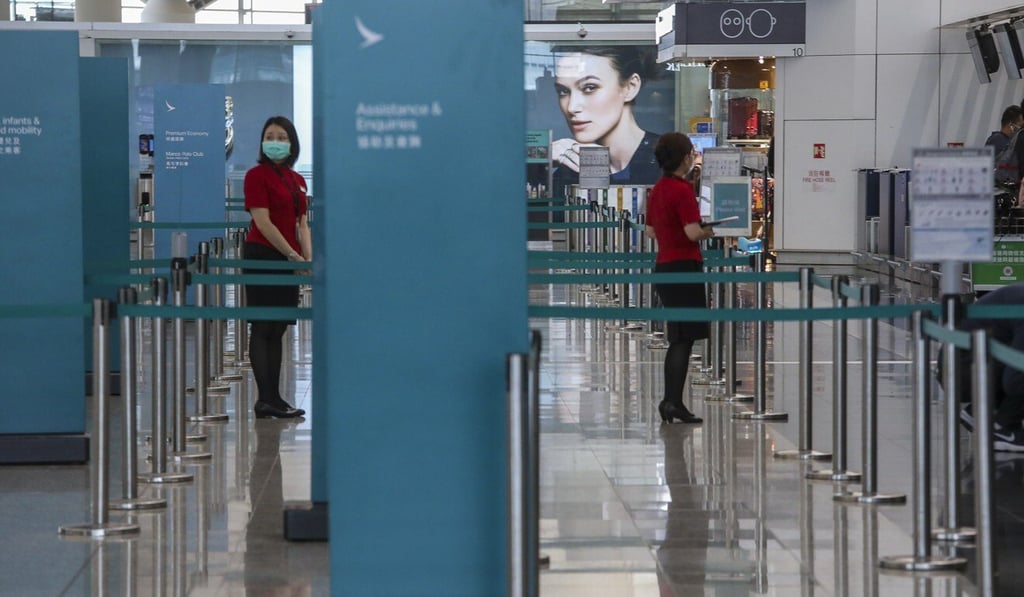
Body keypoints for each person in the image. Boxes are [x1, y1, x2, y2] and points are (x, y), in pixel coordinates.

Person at [644, 132, 716, 424]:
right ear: (684, 157)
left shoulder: (658, 189)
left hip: (664, 265)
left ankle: (672, 400)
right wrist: (712, 229)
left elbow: (650, 231)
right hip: (684, 267)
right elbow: (692, 232)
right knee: (684, 339)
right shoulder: (682, 190)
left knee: (678, 336)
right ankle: (672, 401)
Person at [243, 116, 311, 419]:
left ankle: (275, 398)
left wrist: (305, 258)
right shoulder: (255, 176)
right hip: (263, 254)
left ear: (292, 143)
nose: (275, 141)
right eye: (269, 135)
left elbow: (302, 224)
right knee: (262, 326)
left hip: (288, 259)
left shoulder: (298, 180)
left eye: (281, 136)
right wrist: (290, 255)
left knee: (279, 327)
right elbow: (262, 221)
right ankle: (264, 398)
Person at [550, 46, 661, 187]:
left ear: (630, 87)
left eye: (590, 87)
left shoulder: (666, 158)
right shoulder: (571, 168)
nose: (571, 107)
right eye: (563, 91)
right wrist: (538, 164)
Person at [952, 283, 1024, 451]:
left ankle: (978, 411)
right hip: (964, 371)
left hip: (962, 364)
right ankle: (1006, 429)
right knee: (1018, 373)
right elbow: (1014, 379)